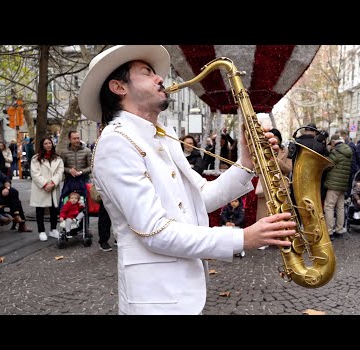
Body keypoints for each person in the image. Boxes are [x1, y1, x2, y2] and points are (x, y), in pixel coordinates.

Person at [78, 45, 294, 315]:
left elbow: (200, 197)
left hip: (180, 295)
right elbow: (155, 232)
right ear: (119, 87)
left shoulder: (161, 137)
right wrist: (243, 238)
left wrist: (247, 163)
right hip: (155, 301)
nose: (160, 79)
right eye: (147, 73)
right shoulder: (116, 142)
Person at [30, 137, 64, 242]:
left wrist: (53, 183)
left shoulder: (58, 158)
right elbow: (35, 173)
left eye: (50, 143)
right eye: (46, 143)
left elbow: (60, 171)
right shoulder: (36, 158)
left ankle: (53, 229)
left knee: (54, 209)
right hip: (41, 188)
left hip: (53, 187)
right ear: (42, 145)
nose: (48, 145)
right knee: (40, 210)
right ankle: (41, 231)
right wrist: (45, 184)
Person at [323, 135, 353, 239]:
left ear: (333, 142)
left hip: (333, 183)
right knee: (340, 207)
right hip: (343, 184)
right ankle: (339, 230)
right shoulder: (348, 151)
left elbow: (327, 165)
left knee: (329, 207)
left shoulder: (336, 152)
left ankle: (329, 231)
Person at [0, 165, 32, 232]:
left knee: (14, 192)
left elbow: (6, 178)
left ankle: (17, 217)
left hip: (2, 193)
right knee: (16, 200)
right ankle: (19, 220)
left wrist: (7, 188)